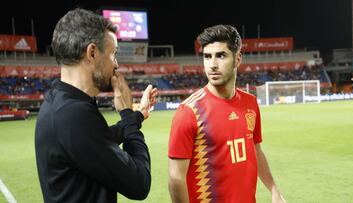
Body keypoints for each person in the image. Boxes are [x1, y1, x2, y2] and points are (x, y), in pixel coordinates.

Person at [35, 8, 157, 203]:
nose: (116, 64)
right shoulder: (75, 114)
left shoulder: (58, 101)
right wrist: (127, 115)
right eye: (113, 54)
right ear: (92, 52)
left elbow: (97, 141)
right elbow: (140, 183)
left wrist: (138, 116)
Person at [168, 24, 286, 203]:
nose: (212, 65)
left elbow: (255, 149)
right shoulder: (189, 112)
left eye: (221, 56)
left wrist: (274, 189)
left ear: (238, 59)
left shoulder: (251, 103)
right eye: (207, 57)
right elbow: (176, 178)